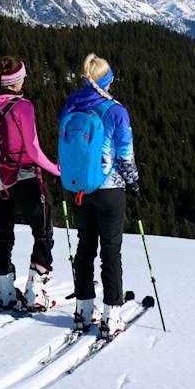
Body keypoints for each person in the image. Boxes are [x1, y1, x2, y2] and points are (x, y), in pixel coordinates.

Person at [60, 53, 139, 338]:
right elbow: (126, 154)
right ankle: (112, 314)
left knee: (85, 248)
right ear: (108, 80)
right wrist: (134, 183)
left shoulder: (72, 104)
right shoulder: (116, 111)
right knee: (110, 250)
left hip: (80, 187)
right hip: (109, 189)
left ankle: (83, 309)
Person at [0, 57, 61, 310]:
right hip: (24, 175)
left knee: (3, 232)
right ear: (16, 81)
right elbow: (34, 150)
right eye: (23, 76)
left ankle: (5, 292)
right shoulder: (23, 106)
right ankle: (34, 292)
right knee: (43, 231)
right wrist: (57, 170)